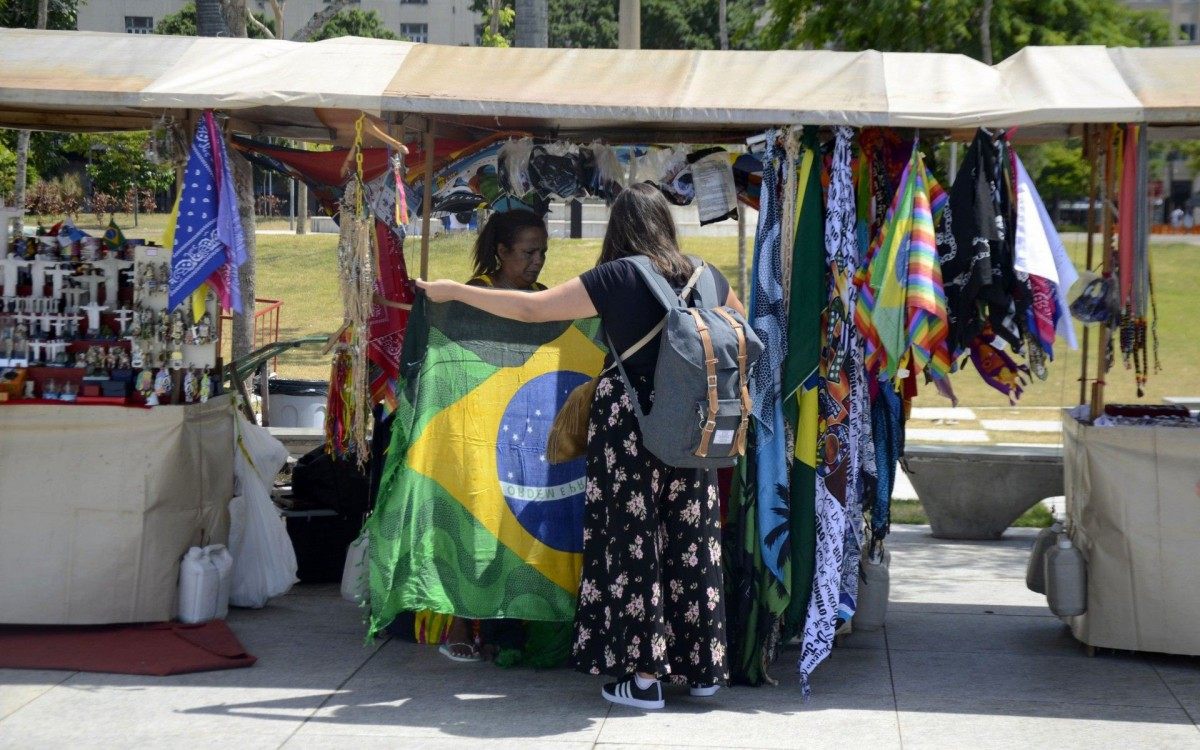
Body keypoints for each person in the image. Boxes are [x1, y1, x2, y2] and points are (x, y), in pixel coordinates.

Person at [419, 183, 744, 709]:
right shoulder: (708, 274)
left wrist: (454, 291)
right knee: (692, 541)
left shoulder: (619, 277)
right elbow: (739, 322)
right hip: (691, 428)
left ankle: (643, 681)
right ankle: (702, 671)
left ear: (620, 228)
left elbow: (533, 310)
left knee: (634, 546)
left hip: (632, 429)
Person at [439, 206, 550, 663]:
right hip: (477, 431)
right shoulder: (472, 296)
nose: (537, 262)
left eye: (543, 252)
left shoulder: (548, 298)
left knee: (518, 532)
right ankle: (462, 622)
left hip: (528, 436)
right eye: (527, 253)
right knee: (474, 529)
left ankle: (512, 627)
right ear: (501, 251)